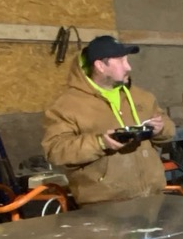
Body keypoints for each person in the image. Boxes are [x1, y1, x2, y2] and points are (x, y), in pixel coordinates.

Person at [42, 35, 176, 205]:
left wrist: (161, 129)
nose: (129, 67)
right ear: (100, 66)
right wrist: (100, 143)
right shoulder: (66, 106)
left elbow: (169, 130)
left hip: (153, 199)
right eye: (121, 61)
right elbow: (55, 150)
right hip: (105, 206)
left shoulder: (142, 97)